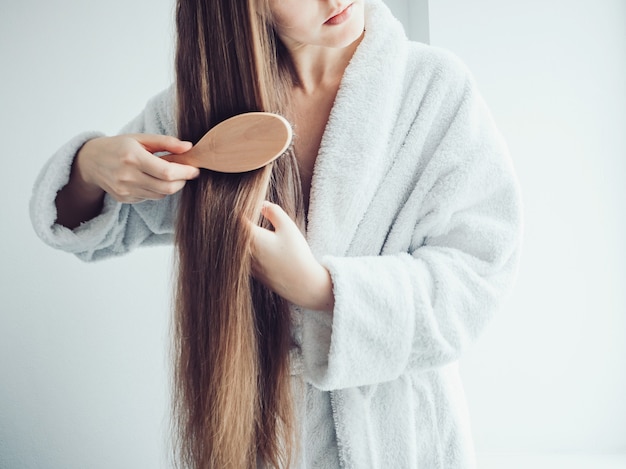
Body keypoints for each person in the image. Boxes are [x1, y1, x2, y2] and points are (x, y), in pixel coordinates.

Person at [30, 0, 523, 467]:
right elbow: (100, 228)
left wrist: (319, 288)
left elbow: (478, 274)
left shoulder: (434, 90)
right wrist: (90, 166)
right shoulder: (202, 110)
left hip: (403, 437)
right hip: (261, 435)